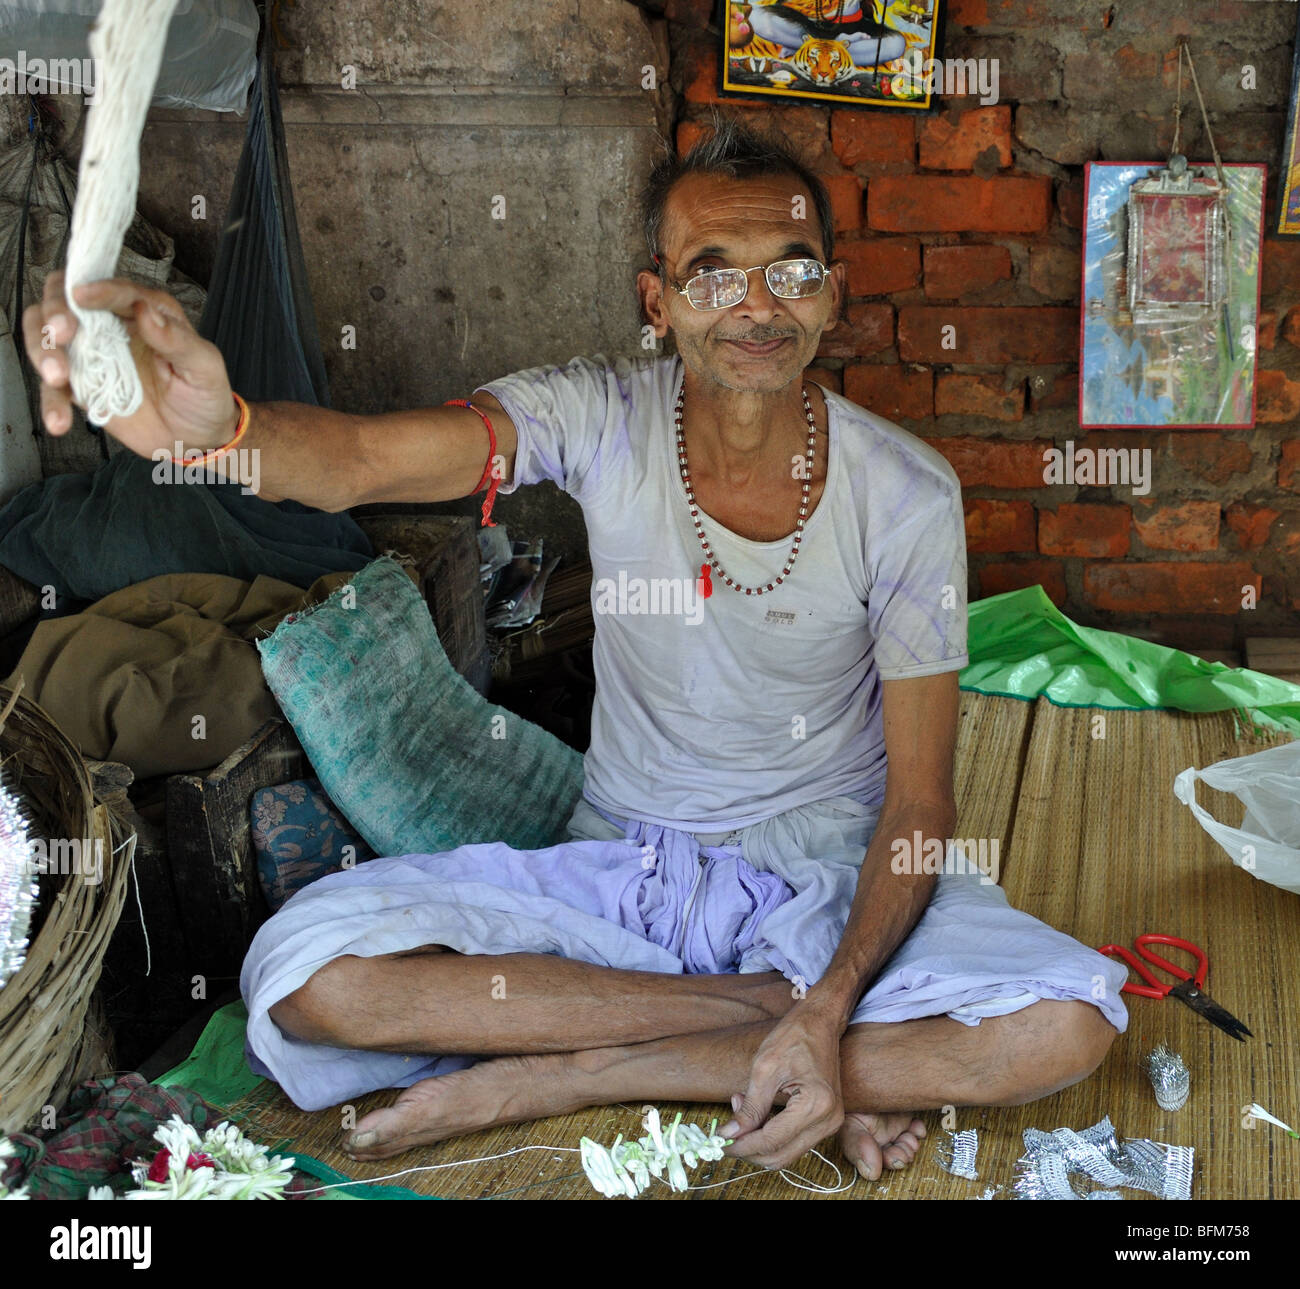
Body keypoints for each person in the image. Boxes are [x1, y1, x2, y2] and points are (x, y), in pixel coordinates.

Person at [24, 116, 1127, 1182]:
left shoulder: (906, 494)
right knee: (306, 974)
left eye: (790, 271)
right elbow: (362, 460)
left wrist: (835, 985)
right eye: (711, 271)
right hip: (624, 876)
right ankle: (765, 1033)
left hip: (822, 878)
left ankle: (568, 1071)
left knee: (1064, 1024)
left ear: (831, 294)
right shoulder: (596, 414)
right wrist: (226, 429)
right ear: (655, 300)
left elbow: (921, 807)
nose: (753, 305)